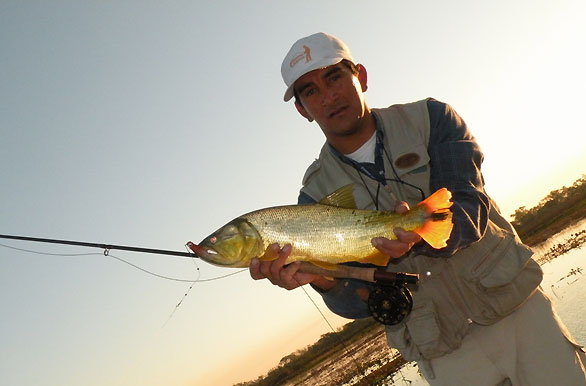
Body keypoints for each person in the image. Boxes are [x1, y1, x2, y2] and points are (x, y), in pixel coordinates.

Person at [249, 32, 586, 385]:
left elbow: (470, 205)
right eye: (310, 91)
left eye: (334, 77)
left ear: (360, 76)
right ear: (302, 110)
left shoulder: (432, 117)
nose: (328, 95)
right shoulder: (312, 198)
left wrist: (420, 236)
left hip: (520, 316)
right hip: (443, 353)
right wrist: (321, 280)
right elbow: (357, 302)